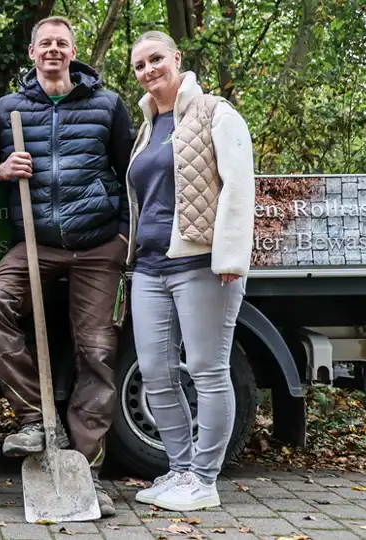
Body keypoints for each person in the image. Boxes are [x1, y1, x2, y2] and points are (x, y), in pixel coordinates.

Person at [0, 16, 135, 517]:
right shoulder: (8, 109)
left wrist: (124, 235)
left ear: (73, 51)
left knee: (97, 352)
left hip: (98, 245)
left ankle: (85, 473)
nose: (53, 50)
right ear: (32, 52)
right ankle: (35, 420)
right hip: (37, 243)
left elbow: (132, 172)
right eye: (45, 43)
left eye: (62, 43)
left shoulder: (107, 105)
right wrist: (1, 169)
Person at [124, 30, 255, 512]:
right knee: (157, 373)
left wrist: (231, 258)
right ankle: (179, 470)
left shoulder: (215, 112)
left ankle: (204, 479)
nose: (148, 70)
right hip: (149, 266)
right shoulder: (147, 124)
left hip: (201, 263)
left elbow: (239, 184)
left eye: (155, 59)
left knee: (207, 370)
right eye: (139, 65)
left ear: (176, 58)